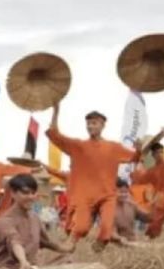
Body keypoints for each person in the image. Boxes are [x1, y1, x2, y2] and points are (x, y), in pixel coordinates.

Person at [47, 105, 147, 252]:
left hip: (107, 194)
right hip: (85, 196)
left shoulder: (113, 147)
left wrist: (139, 149)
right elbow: (56, 136)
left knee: (107, 225)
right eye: (88, 123)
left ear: (102, 125)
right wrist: (56, 111)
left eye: (94, 123)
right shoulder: (78, 146)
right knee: (81, 227)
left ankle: (103, 240)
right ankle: (70, 244)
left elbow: (134, 158)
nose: (90, 126)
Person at [0, 174, 74, 269]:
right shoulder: (5, 220)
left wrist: (67, 248)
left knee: (67, 259)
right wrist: (23, 262)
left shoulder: (35, 217)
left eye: (33, 193)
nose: (31, 197)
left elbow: (46, 242)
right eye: (25, 193)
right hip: (7, 267)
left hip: (32, 267)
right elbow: (15, 242)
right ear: (13, 193)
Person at [130, 135, 164, 239]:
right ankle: (150, 237)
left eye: (161, 152)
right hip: (160, 200)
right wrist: (140, 159)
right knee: (154, 225)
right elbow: (138, 178)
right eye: (157, 152)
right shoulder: (151, 171)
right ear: (153, 155)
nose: (160, 154)